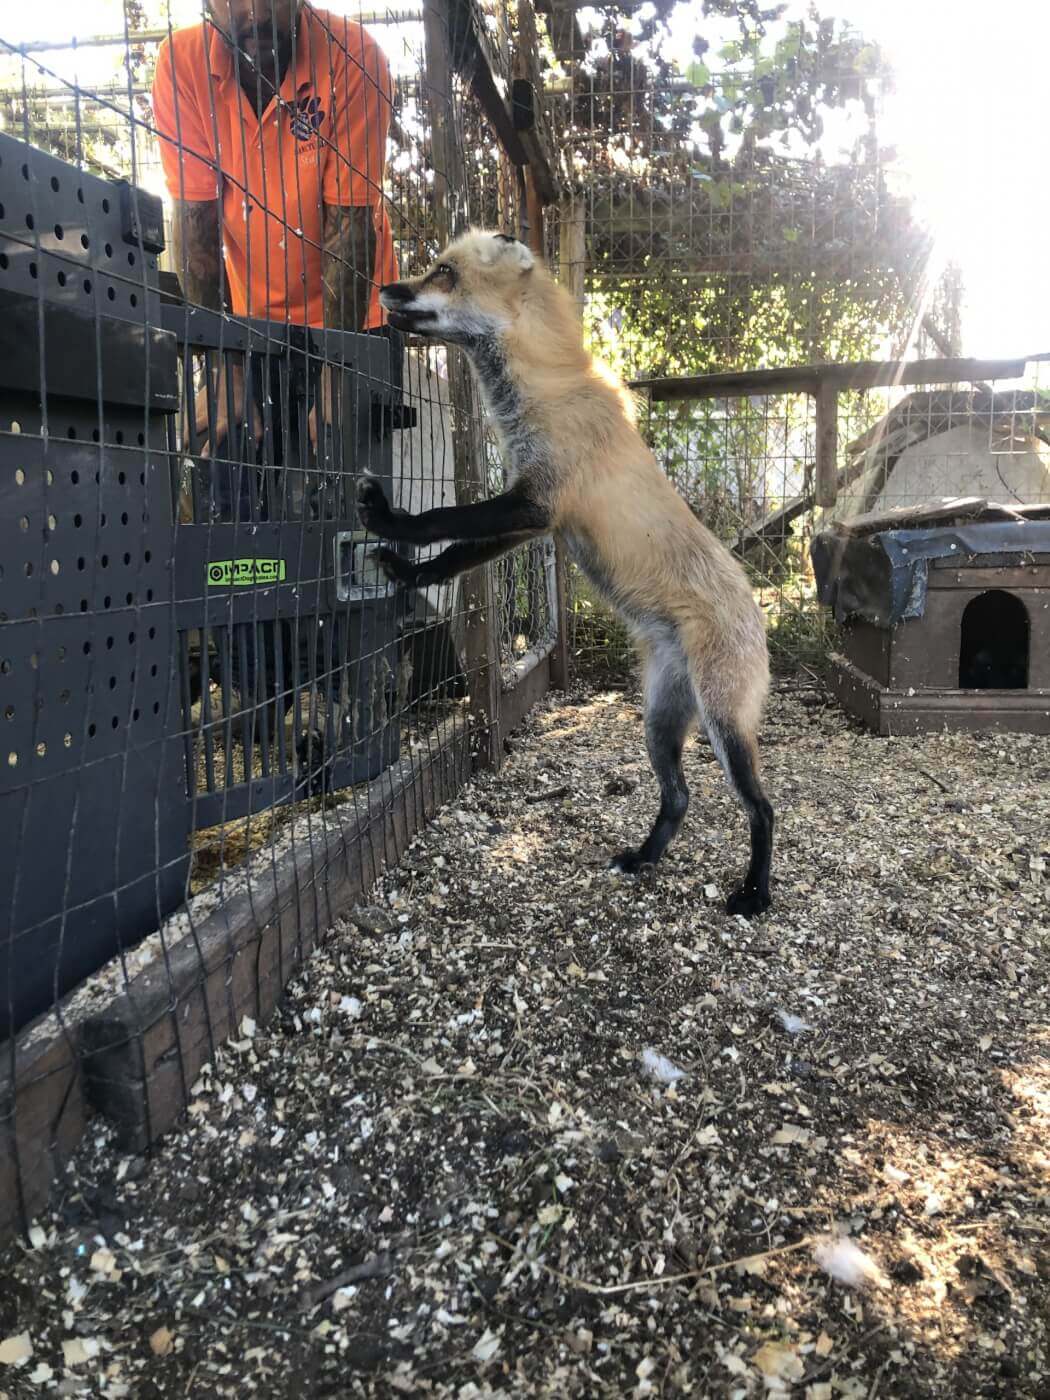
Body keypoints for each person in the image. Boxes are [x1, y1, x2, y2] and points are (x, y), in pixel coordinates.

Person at [152, 0, 398, 457]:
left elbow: (351, 226)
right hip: (250, 326)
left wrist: (336, 370)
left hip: (356, 321)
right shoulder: (180, 64)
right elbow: (195, 224)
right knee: (232, 484)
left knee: (348, 496)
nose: (256, 12)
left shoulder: (355, 55)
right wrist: (224, 364)